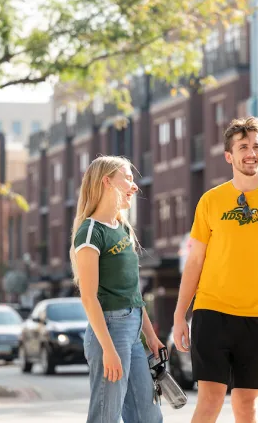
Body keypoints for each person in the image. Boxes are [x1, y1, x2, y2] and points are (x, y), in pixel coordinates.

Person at [173, 116, 258, 423]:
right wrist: (180, 315)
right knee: (211, 400)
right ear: (229, 155)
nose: (251, 152)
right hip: (211, 313)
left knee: (247, 405)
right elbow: (194, 262)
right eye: (243, 146)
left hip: (255, 316)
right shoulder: (211, 201)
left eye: (256, 146)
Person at [71, 155, 164, 423]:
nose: (134, 186)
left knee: (148, 416)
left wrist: (150, 336)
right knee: (105, 417)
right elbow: (89, 298)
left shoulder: (123, 228)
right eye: (128, 179)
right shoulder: (90, 232)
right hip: (109, 331)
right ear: (107, 182)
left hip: (133, 331)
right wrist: (108, 349)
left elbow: (133, 294)